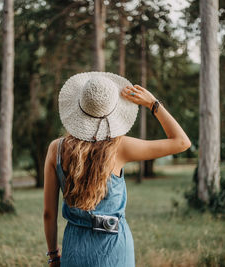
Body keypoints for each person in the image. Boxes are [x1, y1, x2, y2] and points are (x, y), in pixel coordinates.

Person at [43, 72, 191, 266]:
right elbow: (181, 142)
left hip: (75, 248)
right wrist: (153, 104)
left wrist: (53, 256)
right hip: (114, 249)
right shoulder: (120, 148)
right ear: (112, 112)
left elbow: (48, 213)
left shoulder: (57, 149)